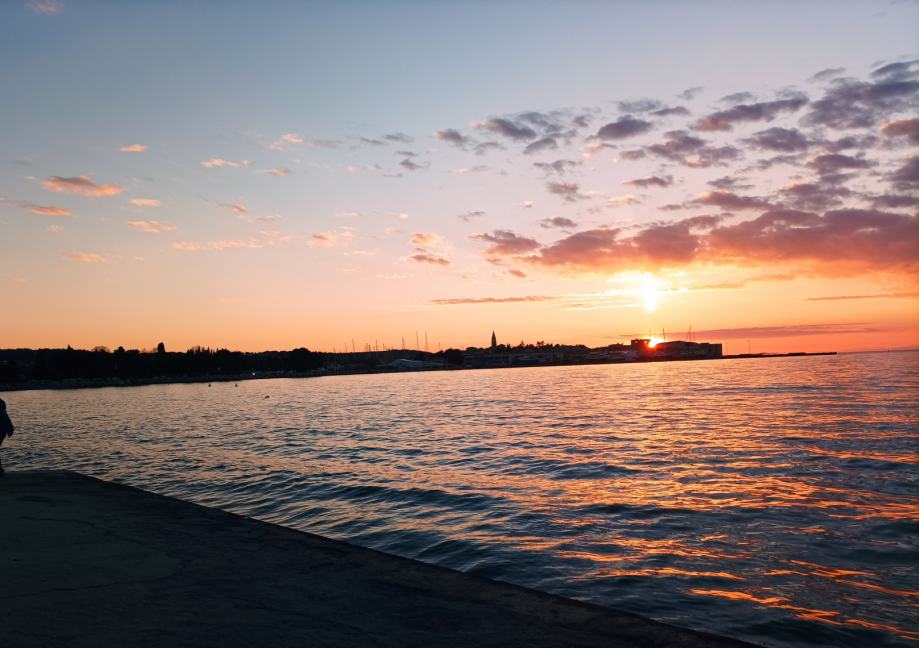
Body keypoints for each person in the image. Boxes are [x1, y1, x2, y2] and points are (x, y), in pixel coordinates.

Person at [0, 398, 14, 477]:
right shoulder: (1, 405)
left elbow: (5, 417)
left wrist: (10, 429)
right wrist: (10, 429)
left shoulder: (0, 406)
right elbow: (6, 418)